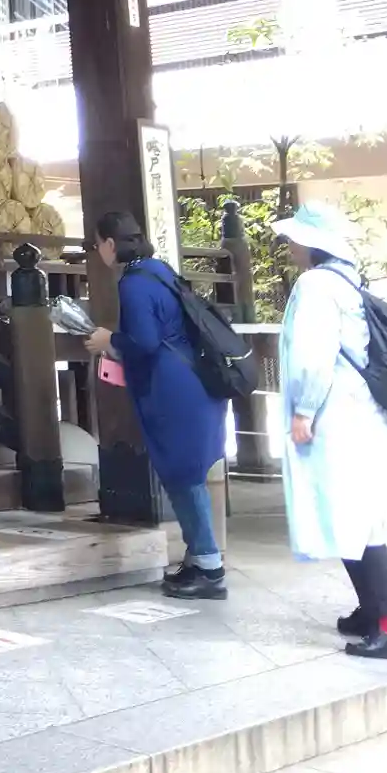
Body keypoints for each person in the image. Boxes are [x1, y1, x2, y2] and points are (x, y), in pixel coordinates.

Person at [273, 199, 387, 660]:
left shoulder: (314, 285)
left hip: (340, 417)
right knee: (358, 517)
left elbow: (313, 356)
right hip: (368, 416)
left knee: (355, 519)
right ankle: (374, 611)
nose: (290, 245)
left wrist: (304, 412)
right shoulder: (349, 280)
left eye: (294, 238)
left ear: (313, 243)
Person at [84, 209, 229, 599]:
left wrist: (109, 341)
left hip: (174, 389)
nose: (98, 252)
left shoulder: (132, 283)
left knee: (184, 475)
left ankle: (209, 567)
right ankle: (198, 559)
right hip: (195, 382)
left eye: (97, 245)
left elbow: (144, 342)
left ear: (109, 244)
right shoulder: (158, 270)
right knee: (187, 474)